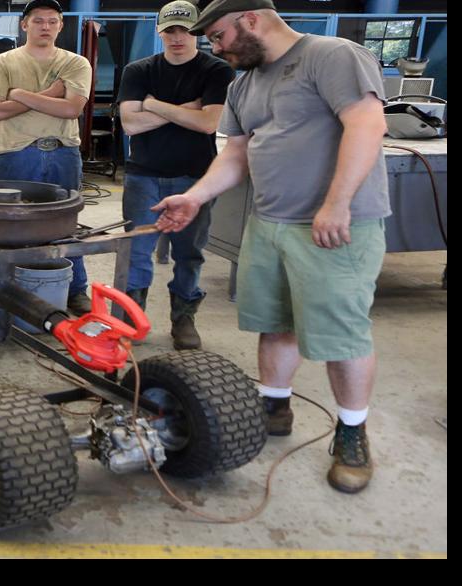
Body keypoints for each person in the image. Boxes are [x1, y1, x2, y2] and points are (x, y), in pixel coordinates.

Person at [152, 0, 391, 493]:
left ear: (252, 20)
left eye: (218, 36)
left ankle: (351, 431)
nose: (215, 48)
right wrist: (195, 197)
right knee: (273, 321)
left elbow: (367, 124)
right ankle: (274, 405)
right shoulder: (244, 82)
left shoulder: (331, 55)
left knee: (341, 334)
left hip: (333, 225)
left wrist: (337, 203)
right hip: (270, 221)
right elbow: (237, 151)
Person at [117, 1, 235, 349]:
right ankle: (131, 319)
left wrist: (152, 105)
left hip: (194, 178)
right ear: (160, 31)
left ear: (197, 31)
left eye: (185, 30)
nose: (177, 37)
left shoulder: (216, 70)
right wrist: (185, 110)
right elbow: (130, 124)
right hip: (143, 177)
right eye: (170, 30)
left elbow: (208, 123)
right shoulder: (138, 71)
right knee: (136, 251)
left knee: (190, 252)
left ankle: (183, 318)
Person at [0, 0, 94, 314]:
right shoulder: (1, 63)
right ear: (24, 25)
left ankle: (76, 289)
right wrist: (51, 94)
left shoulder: (75, 63)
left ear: (60, 25)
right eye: (38, 20)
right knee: (8, 225)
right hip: (15, 153)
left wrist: (20, 94)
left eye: (52, 21)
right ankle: (2, 288)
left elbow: (71, 109)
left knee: (65, 223)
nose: (45, 26)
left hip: (63, 152)